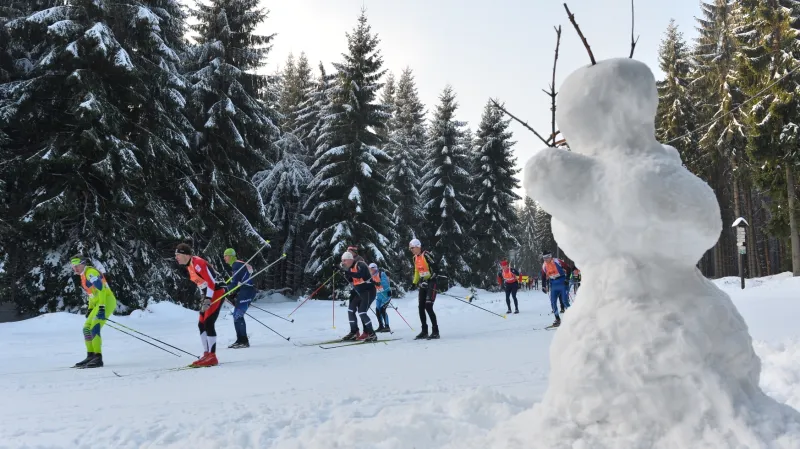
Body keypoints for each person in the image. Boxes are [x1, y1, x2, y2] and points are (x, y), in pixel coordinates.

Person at [175, 243, 226, 367]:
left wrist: (208, 298)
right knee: (201, 324)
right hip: (208, 294)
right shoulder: (190, 266)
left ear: (186, 255)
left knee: (208, 322)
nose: (176, 257)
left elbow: (211, 282)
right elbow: (201, 283)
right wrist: (203, 296)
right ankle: (206, 353)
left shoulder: (198, 263)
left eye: (178, 255)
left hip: (216, 292)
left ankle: (212, 356)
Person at [71, 256, 117, 368]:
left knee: (94, 327)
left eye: (77, 265)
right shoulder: (83, 276)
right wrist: (90, 308)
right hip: (98, 303)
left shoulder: (90, 272)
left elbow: (101, 289)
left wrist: (101, 307)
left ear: (83, 264)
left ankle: (98, 358)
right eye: (73, 266)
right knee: (86, 328)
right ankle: (90, 356)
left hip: (106, 301)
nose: (75, 268)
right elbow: (92, 294)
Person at [339, 251, 377, 341]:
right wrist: (340, 270)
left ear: (350, 260)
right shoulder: (350, 268)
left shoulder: (360, 264)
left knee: (362, 312)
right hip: (359, 292)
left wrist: (347, 272)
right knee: (350, 310)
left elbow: (361, 275)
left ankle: (372, 334)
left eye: (344, 261)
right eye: (342, 261)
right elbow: (349, 279)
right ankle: (354, 332)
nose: (343, 263)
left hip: (368, 291)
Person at [223, 248, 255, 349]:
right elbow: (239, 281)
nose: (224, 258)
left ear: (231, 256)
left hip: (247, 291)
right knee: (237, 315)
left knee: (238, 315)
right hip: (245, 291)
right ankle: (240, 340)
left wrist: (224, 290)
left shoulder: (236, 265)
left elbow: (234, 282)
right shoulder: (238, 264)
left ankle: (244, 341)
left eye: (226, 256)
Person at [409, 238, 440, 340]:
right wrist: (414, 283)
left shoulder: (426, 255)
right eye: (410, 248)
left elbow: (436, 269)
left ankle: (435, 331)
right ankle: (424, 331)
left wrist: (430, 279)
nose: (411, 250)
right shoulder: (415, 258)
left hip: (432, 282)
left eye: (412, 248)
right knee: (421, 307)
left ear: (418, 247)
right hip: (423, 283)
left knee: (428, 306)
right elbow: (417, 272)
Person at [541, 251, 569, 328]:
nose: (546, 259)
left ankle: (572, 317)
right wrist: (543, 286)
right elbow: (543, 276)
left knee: (565, 301)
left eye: (547, 257)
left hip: (562, 282)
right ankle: (557, 319)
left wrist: (567, 279)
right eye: (544, 258)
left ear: (550, 256)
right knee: (553, 302)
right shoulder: (544, 265)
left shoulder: (557, 261)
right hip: (553, 284)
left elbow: (568, 268)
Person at [370, 263, 392, 333]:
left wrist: (377, 283)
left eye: (372, 269)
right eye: (370, 269)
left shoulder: (381, 274)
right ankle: (381, 326)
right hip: (379, 295)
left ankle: (387, 326)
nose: (371, 271)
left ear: (375, 268)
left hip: (386, 295)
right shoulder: (372, 276)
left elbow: (385, 284)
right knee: (377, 310)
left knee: (383, 310)